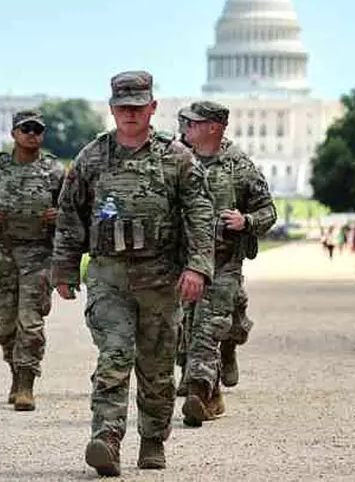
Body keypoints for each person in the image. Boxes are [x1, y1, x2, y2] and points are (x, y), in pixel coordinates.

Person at [50, 71, 215, 475]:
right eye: (123, 107)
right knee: (115, 354)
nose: (130, 114)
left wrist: (197, 267)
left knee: (157, 368)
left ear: (152, 108)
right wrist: (64, 269)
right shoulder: (91, 157)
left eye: (138, 107)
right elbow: (70, 215)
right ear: (112, 109)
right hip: (109, 276)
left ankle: (154, 439)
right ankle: (105, 437)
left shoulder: (177, 158)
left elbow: (200, 212)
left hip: (160, 278)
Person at [175, 101, 276, 426]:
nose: (186, 127)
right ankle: (212, 394)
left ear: (213, 128)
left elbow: (268, 212)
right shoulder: (178, 162)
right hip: (185, 263)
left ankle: (198, 392)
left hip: (223, 263)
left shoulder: (239, 167)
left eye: (193, 122)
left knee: (207, 329)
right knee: (185, 329)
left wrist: (245, 221)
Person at [0, 109, 65, 411]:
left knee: (30, 322)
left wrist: (59, 216)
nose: (31, 134)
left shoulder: (56, 172)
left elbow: (76, 211)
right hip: (3, 255)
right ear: (14, 134)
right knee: (5, 324)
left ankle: (26, 383)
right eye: (25, 129)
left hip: (38, 256)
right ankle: (14, 369)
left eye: (37, 129)